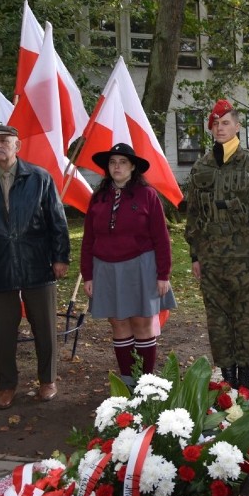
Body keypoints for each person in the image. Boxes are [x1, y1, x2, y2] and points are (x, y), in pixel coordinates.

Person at [0, 124, 70, 409]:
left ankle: (48, 379)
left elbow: (57, 222)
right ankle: (6, 385)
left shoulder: (40, 178)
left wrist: (60, 257)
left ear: (17, 146)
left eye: (5, 141)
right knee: (2, 329)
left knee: (45, 327)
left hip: (37, 262)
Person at [184, 100, 249, 391]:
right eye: (215, 124)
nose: (220, 128)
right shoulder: (201, 167)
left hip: (244, 258)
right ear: (210, 129)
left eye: (226, 123)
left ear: (237, 127)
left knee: (245, 315)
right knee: (217, 319)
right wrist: (195, 256)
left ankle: (246, 377)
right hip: (211, 259)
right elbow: (194, 215)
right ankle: (227, 377)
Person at [80, 143, 175, 386]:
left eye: (122, 162)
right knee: (118, 323)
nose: (117, 166)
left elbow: (161, 238)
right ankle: (127, 383)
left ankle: (146, 384)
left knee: (142, 322)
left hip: (141, 267)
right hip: (105, 268)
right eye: (113, 162)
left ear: (133, 167)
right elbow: (89, 238)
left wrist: (163, 274)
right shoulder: (98, 198)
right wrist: (88, 275)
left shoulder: (148, 195)